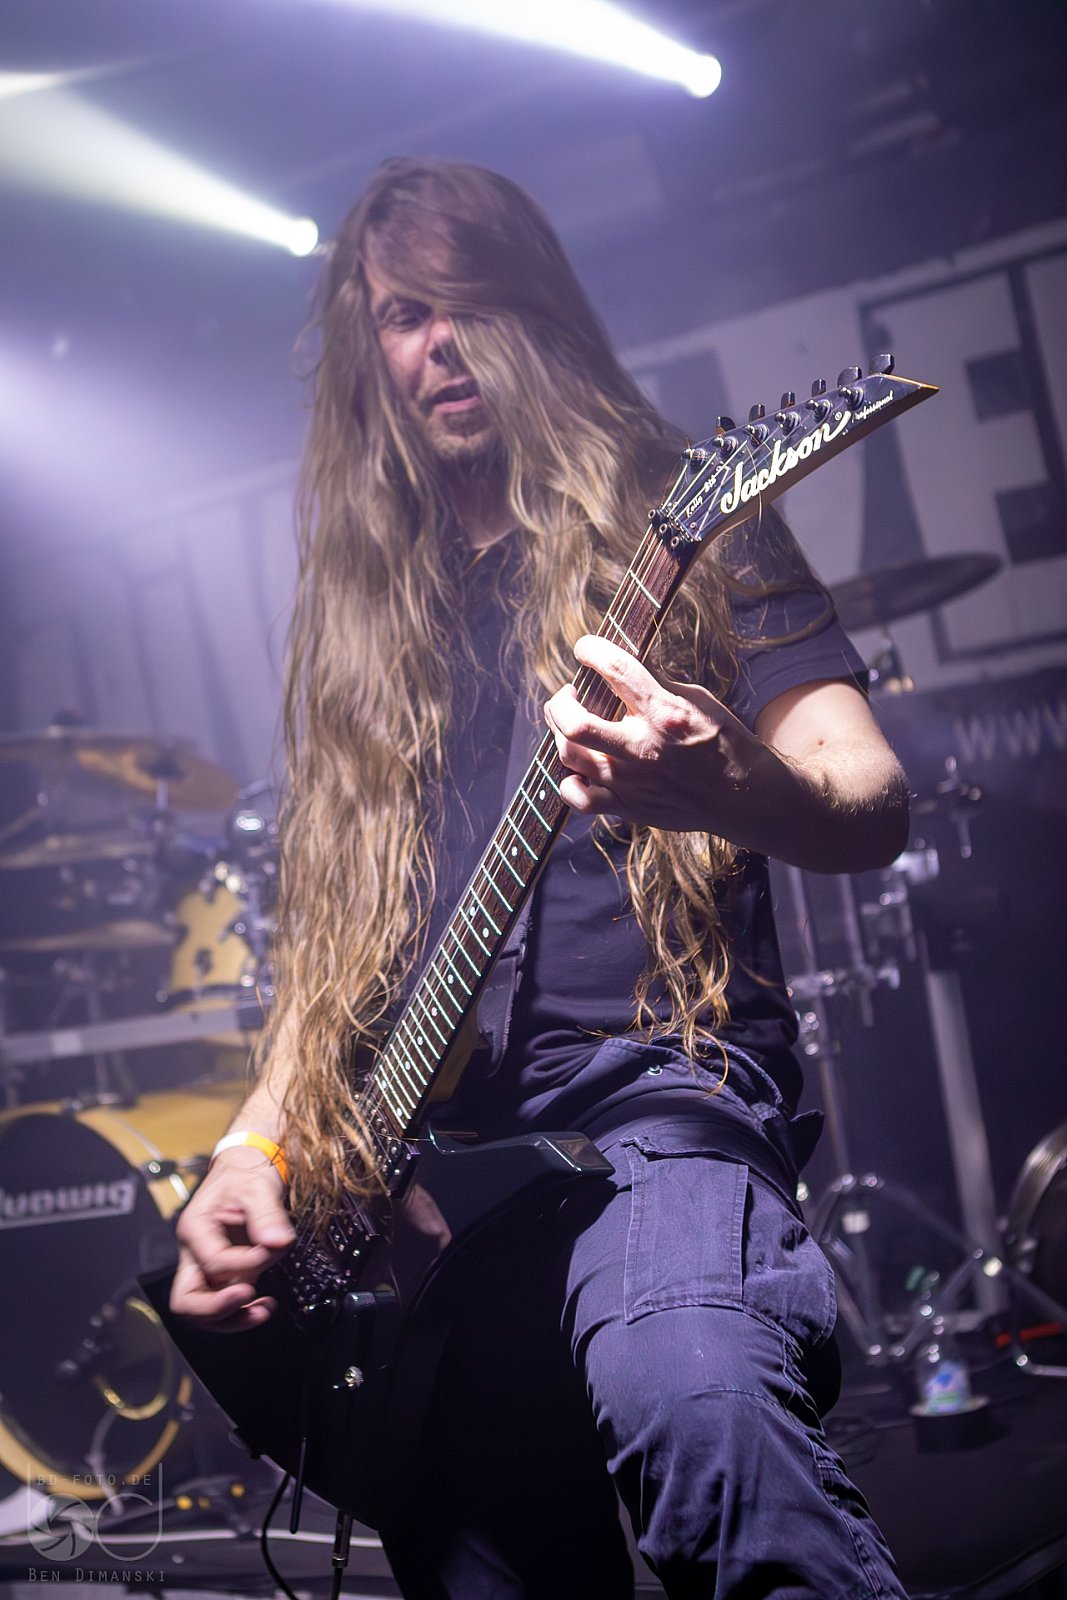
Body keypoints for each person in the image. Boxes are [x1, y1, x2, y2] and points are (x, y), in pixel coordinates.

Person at [171, 158, 911, 1598]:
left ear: (538, 314)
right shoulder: (367, 617)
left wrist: (734, 788)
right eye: (401, 316)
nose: (439, 346)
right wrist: (253, 1154)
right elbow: (333, 971)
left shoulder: (689, 522)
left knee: (693, 1396)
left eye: (468, 304)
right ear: (368, 352)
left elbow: (867, 798)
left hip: (653, 1095)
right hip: (431, 1177)